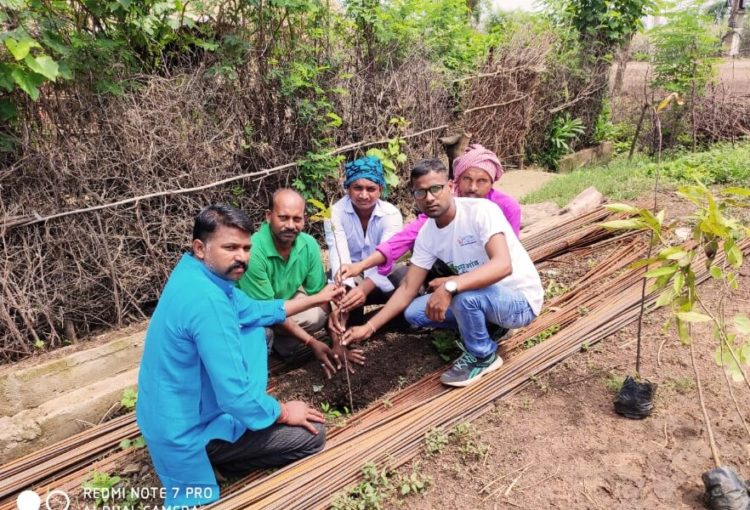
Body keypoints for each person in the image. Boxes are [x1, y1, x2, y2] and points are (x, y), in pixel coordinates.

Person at [136, 204, 344, 508]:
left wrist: (318, 297)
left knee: (255, 328)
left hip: (167, 411)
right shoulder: (209, 302)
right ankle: (216, 457)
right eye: (230, 247)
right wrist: (284, 412)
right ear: (200, 248)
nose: (242, 257)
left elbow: (256, 310)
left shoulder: (198, 276)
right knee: (312, 437)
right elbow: (234, 397)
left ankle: (229, 446)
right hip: (187, 431)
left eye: (246, 248)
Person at [342, 159, 543, 388]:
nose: (429, 198)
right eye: (420, 192)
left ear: (450, 186)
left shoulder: (481, 211)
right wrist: (369, 328)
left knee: (465, 298)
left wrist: (450, 286)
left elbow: (502, 265)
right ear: (414, 195)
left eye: (435, 189)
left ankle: (483, 355)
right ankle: (489, 326)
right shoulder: (428, 232)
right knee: (415, 313)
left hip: (519, 301)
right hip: (482, 296)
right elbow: (408, 288)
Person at [338, 144, 521, 280]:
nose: (472, 187)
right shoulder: (443, 203)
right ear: (455, 181)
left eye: (482, 181)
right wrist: (361, 265)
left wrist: (455, 282)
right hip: (455, 267)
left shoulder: (506, 207)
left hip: (492, 273)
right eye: (466, 179)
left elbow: (510, 256)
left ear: (492, 183)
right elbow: (402, 239)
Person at [237, 189, 341, 375]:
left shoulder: (308, 244)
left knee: (317, 315)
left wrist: (337, 342)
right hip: (253, 315)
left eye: (297, 219)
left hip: (284, 304)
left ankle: (283, 344)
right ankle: (264, 358)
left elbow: (320, 296)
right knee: (262, 333)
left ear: (304, 219)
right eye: (283, 218)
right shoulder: (253, 252)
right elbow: (267, 311)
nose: (291, 225)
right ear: (269, 216)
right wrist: (311, 342)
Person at [324, 156, 404, 347]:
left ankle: (384, 323)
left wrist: (365, 288)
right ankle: (348, 335)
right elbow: (339, 257)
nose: (364, 195)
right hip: (350, 275)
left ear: (381, 190)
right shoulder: (335, 213)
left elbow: (387, 258)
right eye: (357, 188)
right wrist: (348, 290)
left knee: (409, 283)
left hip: (382, 274)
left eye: (371, 189)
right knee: (345, 295)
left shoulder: (391, 214)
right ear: (348, 189)